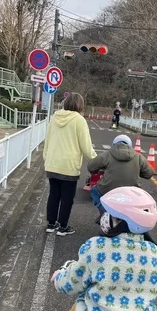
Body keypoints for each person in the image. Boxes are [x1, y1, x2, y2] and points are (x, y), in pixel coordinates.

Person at [43, 92, 97, 236]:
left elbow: (47, 139)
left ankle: (51, 224)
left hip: (52, 163)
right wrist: (95, 158)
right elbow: (85, 145)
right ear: (80, 105)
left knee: (53, 194)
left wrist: (46, 157)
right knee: (67, 198)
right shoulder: (79, 120)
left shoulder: (55, 117)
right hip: (69, 165)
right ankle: (63, 227)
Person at [86, 134, 155, 222]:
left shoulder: (107, 154)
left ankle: (105, 213)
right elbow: (149, 174)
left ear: (114, 144)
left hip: (108, 189)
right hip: (131, 192)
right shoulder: (138, 157)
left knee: (94, 192)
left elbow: (91, 168)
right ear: (129, 145)